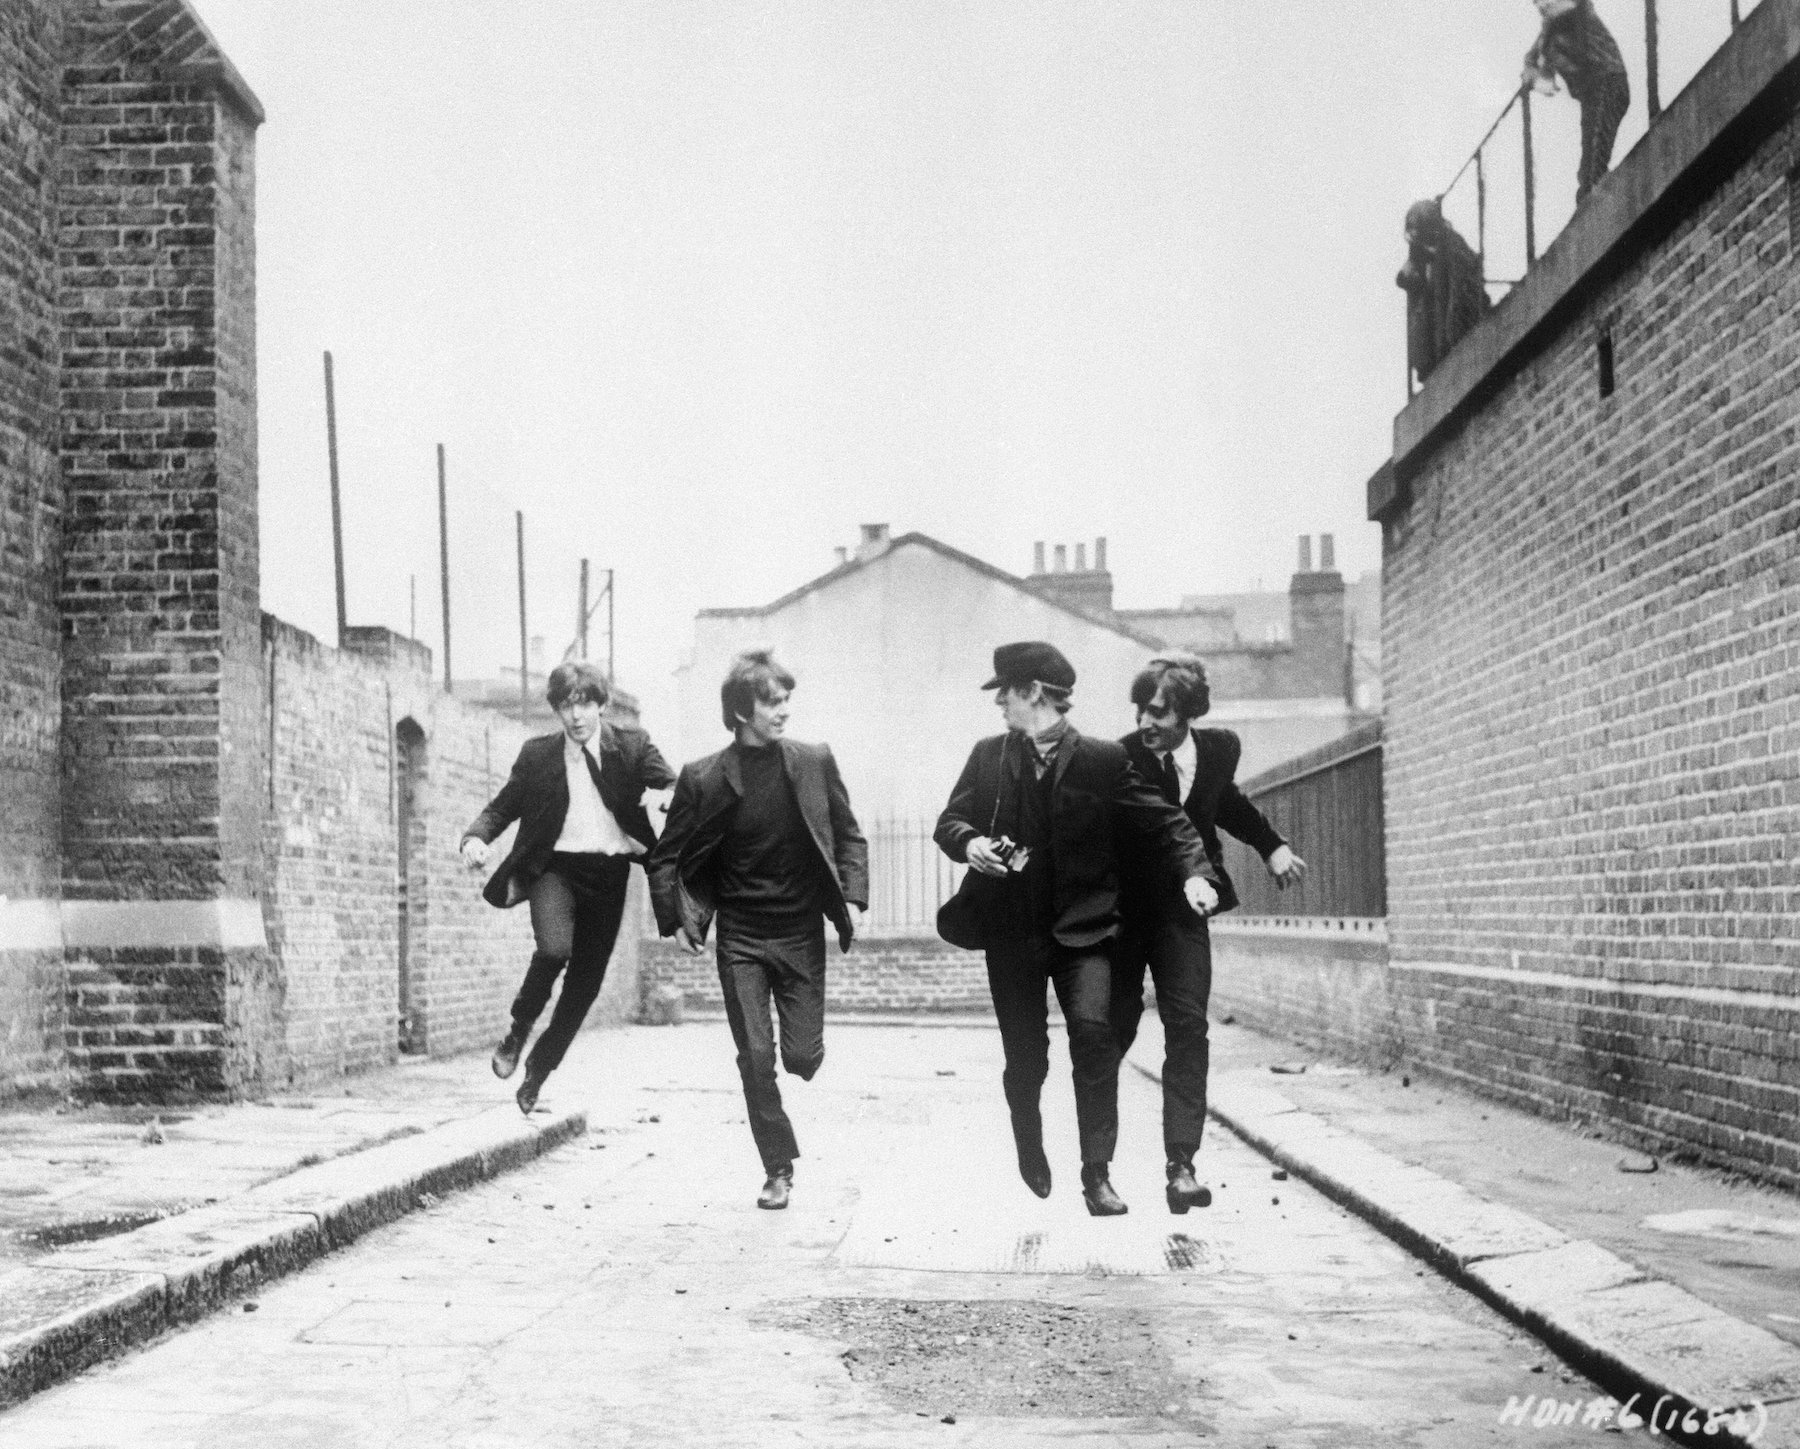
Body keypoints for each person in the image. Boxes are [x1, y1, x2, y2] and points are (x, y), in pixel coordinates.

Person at [933, 642, 1217, 1217]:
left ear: (1033, 693)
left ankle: (1097, 1174)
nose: (1000, 706)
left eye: (1006, 693)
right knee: (1027, 1057)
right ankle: (1029, 1138)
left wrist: (1196, 875)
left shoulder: (1102, 758)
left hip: (1084, 933)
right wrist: (972, 844)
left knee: (1093, 1038)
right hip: (1011, 934)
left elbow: (1167, 822)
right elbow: (949, 821)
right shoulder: (988, 756)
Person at [647, 648, 868, 1210]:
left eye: (787, 699)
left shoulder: (814, 760)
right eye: (773, 702)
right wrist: (675, 918)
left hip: (799, 933)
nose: (785, 711)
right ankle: (778, 1168)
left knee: (801, 1058)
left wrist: (855, 896)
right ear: (743, 711)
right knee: (755, 1057)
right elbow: (665, 856)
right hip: (741, 936)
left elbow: (849, 835)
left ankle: (803, 1062)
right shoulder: (703, 777)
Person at [1112, 653, 1305, 1213]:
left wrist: (1272, 846)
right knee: (1111, 1032)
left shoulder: (1219, 750)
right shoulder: (1121, 759)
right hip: (1127, 915)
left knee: (1189, 1029)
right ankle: (1097, 1163)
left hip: (1185, 914)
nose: (1145, 723)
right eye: (1140, 711)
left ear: (1189, 713)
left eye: (1157, 713)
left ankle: (1182, 1166)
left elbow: (1227, 803)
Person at [461, 661, 675, 1115]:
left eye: (585, 704)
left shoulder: (632, 747)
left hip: (610, 873)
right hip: (554, 869)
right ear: (556, 709)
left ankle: (540, 1067)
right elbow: (502, 808)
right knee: (554, 949)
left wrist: (666, 795)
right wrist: (476, 838)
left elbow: (673, 785)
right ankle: (518, 1029)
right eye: (566, 705)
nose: (577, 716)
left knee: (584, 986)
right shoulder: (538, 755)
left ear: (602, 704)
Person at [1523, 0, 1630, 203]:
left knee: (1595, 165)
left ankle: (1594, 205)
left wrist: (1538, 65)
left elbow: (1568, 9)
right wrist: (1533, 68)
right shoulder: (1549, 35)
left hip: (1609, 82)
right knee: (1586, 174)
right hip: (1591, 94)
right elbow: (1532, 59)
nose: (1541, 7)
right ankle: (1587, 207)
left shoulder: (1576, 9)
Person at [1396, 198, 1489, 387]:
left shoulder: (1452, 243)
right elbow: (1403, 278)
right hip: (1433, 327)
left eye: (1417, 228)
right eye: (1412, 229)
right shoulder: (1419, 256)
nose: (1414, 235)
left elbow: (1465, 276)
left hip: (1455, 319)